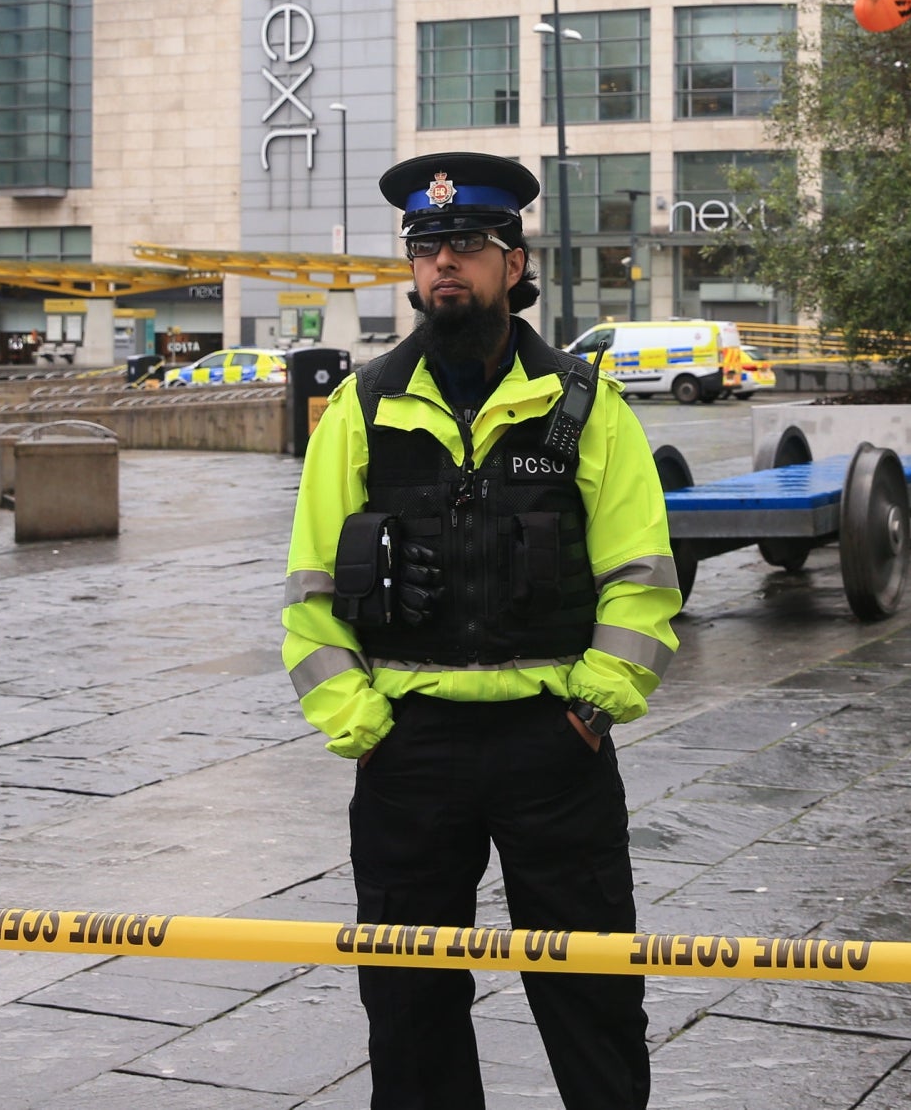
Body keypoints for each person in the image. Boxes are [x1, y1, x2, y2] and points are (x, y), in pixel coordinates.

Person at [280, 151, 678, 1110]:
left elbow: (642, 579)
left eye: (467, 244)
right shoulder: (364, 409)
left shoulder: (585, 405)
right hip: (410, 752)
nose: (443, 264)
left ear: (514, 262)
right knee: (408, 1006)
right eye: (426, 248)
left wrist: (592, 709)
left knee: (592, 996)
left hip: (555, 748)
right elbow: (309, 592)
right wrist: (360, 721)